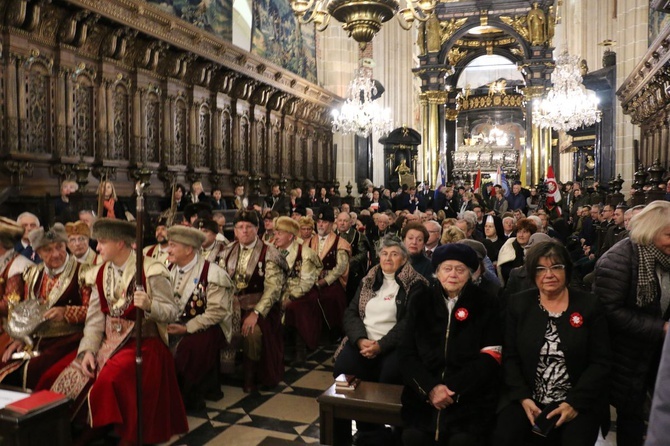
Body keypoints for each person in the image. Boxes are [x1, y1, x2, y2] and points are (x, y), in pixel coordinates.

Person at [52, 218, 188, 445]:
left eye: (103, 242)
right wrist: (87, 350)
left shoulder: (151, 270)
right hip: (109, 342)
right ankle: (79, 427)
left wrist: (149, 306)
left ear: (121, 244)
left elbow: (171, 312)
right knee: (69, 372)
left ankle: (104, 429)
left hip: (144, 344)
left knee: (109, 379)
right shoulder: (100, 272)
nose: (98, 248)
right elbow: (95, 320)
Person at [492, 240, 611, 445]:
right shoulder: (519, 304)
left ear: (567, 269)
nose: (549, 274)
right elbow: (510, 357)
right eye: (540, 269)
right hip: (528, 397)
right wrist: (523, 397)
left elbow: (601, 362)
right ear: (531, 273)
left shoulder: (589, 305)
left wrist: (574, 403)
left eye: (556, 267)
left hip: (576, 399)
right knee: (505, 436)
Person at [399, 243, 503, 446]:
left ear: (471, 274)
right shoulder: (420, 300)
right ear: (437, 272)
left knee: (462, 441)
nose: (453, 274)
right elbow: (406, 352)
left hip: (468, 398)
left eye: (460, 269)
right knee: (414, 438)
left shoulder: (486, 302)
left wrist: (452, 389)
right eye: (447, 268)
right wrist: (430, 388)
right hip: (424, 398)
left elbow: (491, 355)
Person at [594, 200, 670, 446]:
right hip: (627, 354)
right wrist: (659, 328)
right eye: (669, 234)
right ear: (651, 229)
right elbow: (608, 310)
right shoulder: (619, 259)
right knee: (631, 416)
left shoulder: (664, 258)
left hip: (657, 351)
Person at [0, 223, 88, 390]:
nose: (55, 254)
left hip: (69, 340)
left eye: (59, 247)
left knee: (34, 371)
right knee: (5, 366)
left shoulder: (83, 272)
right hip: (36, 339)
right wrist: (20, 338)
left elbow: (93, 311)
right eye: (48, 250)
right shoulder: (33, 273)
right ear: (38, 252)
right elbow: (26, 312)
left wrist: (66, 312)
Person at [334, 234, 429, 384]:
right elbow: (351, 313)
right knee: (343, 367)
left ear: (404, 259)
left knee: (390, 375)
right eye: (384, 253)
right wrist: (360, 340)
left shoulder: (416, 284)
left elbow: (409, 322)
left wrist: (381, 345)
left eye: (394, 254)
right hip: (364, 339)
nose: (388, 258)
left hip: (396, 344)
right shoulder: (368, 280)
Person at [165, 225, 233, 410]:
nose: (167, 250)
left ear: (188, 249)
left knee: (188, 349)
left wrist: (187, 328)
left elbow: (217, 312)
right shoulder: (167, 268)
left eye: (172, 245)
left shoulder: (213, 273)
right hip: (174, 322)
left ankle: (188, 397)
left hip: (209, 325)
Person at [219, 210, 287, 392]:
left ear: (257, 229)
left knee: (252, 332)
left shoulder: (269, 252)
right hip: (230, 306)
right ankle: (216, 374)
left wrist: (256, 313)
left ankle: (251, 375)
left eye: (249, 227)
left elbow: (273, 289)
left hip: (259, 307)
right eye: (240, 227)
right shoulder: (227, 251)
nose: (244, 231)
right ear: (234, 231)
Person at [274, 217, 322, 363]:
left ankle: (299, 350)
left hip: (302, 291)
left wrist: (291, 297)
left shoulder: (305, 253)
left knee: (294, 308)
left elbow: (306, 282)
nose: (275, 236)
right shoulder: (273, 250)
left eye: (279, 233)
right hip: (280, 289)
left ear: (290, 236)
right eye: (276, 232)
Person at [308, 206, 351, 336]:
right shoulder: (309, 242)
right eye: (319, 222)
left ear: (332, 224)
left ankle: (333, 333)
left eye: (324, 222)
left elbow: (340, 267)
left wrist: (325, 281)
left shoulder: (341, 243)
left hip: (332, 281)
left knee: (332, 298)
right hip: (311, 280)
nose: (320, 224)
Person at [497, 218, 538, 285]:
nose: (521, 235)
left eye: (525, 232)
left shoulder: (535, 248)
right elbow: (504, 269)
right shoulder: (509, 244)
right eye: (519, 232)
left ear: (531, 234)